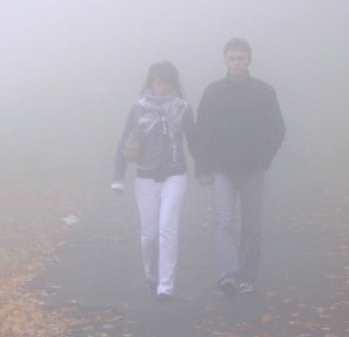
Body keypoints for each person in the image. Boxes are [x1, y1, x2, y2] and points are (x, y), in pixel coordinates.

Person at [194, 38, 285, 297]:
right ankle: (227, 275)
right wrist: (203, 168)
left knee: (252, 224)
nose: (236, 63)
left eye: (241, 58)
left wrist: (264, 158)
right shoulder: (213, 92)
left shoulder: (264, 92)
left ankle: (247, 275)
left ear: (249, 60)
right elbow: (202, 132)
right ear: (225, 60)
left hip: (253, 168)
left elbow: (277, 129)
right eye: (232, 58)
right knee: (224, 223)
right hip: (222, 168)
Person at [112, 61, 197, 302]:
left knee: (167, 229)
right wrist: (118, 177)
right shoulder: (139, 108)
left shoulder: (182, 108)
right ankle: (151, 273)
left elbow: (194, 141)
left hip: (175, 174)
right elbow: (124, 142)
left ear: (173, 83)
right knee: (149, 234)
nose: (161, 87)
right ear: (151, 83)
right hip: (145, 177)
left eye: (166, 82)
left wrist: (203, 169)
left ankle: (166, 285)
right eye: (157, 82)